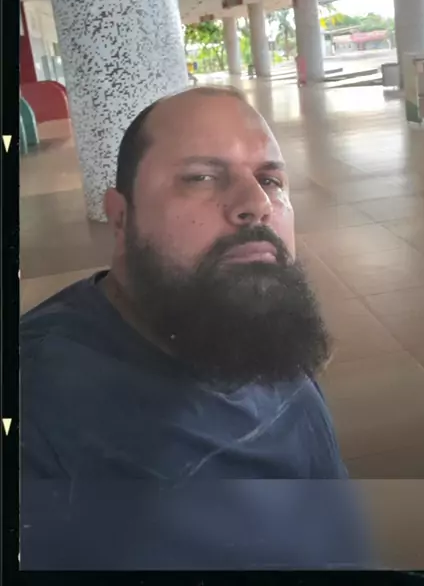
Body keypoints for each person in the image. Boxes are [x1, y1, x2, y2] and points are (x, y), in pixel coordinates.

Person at [20, 86, 371, 570]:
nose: (256, 203)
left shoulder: (262, 323)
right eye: (202, 177)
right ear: (120, 218)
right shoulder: (39, 411)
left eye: (270, 180)